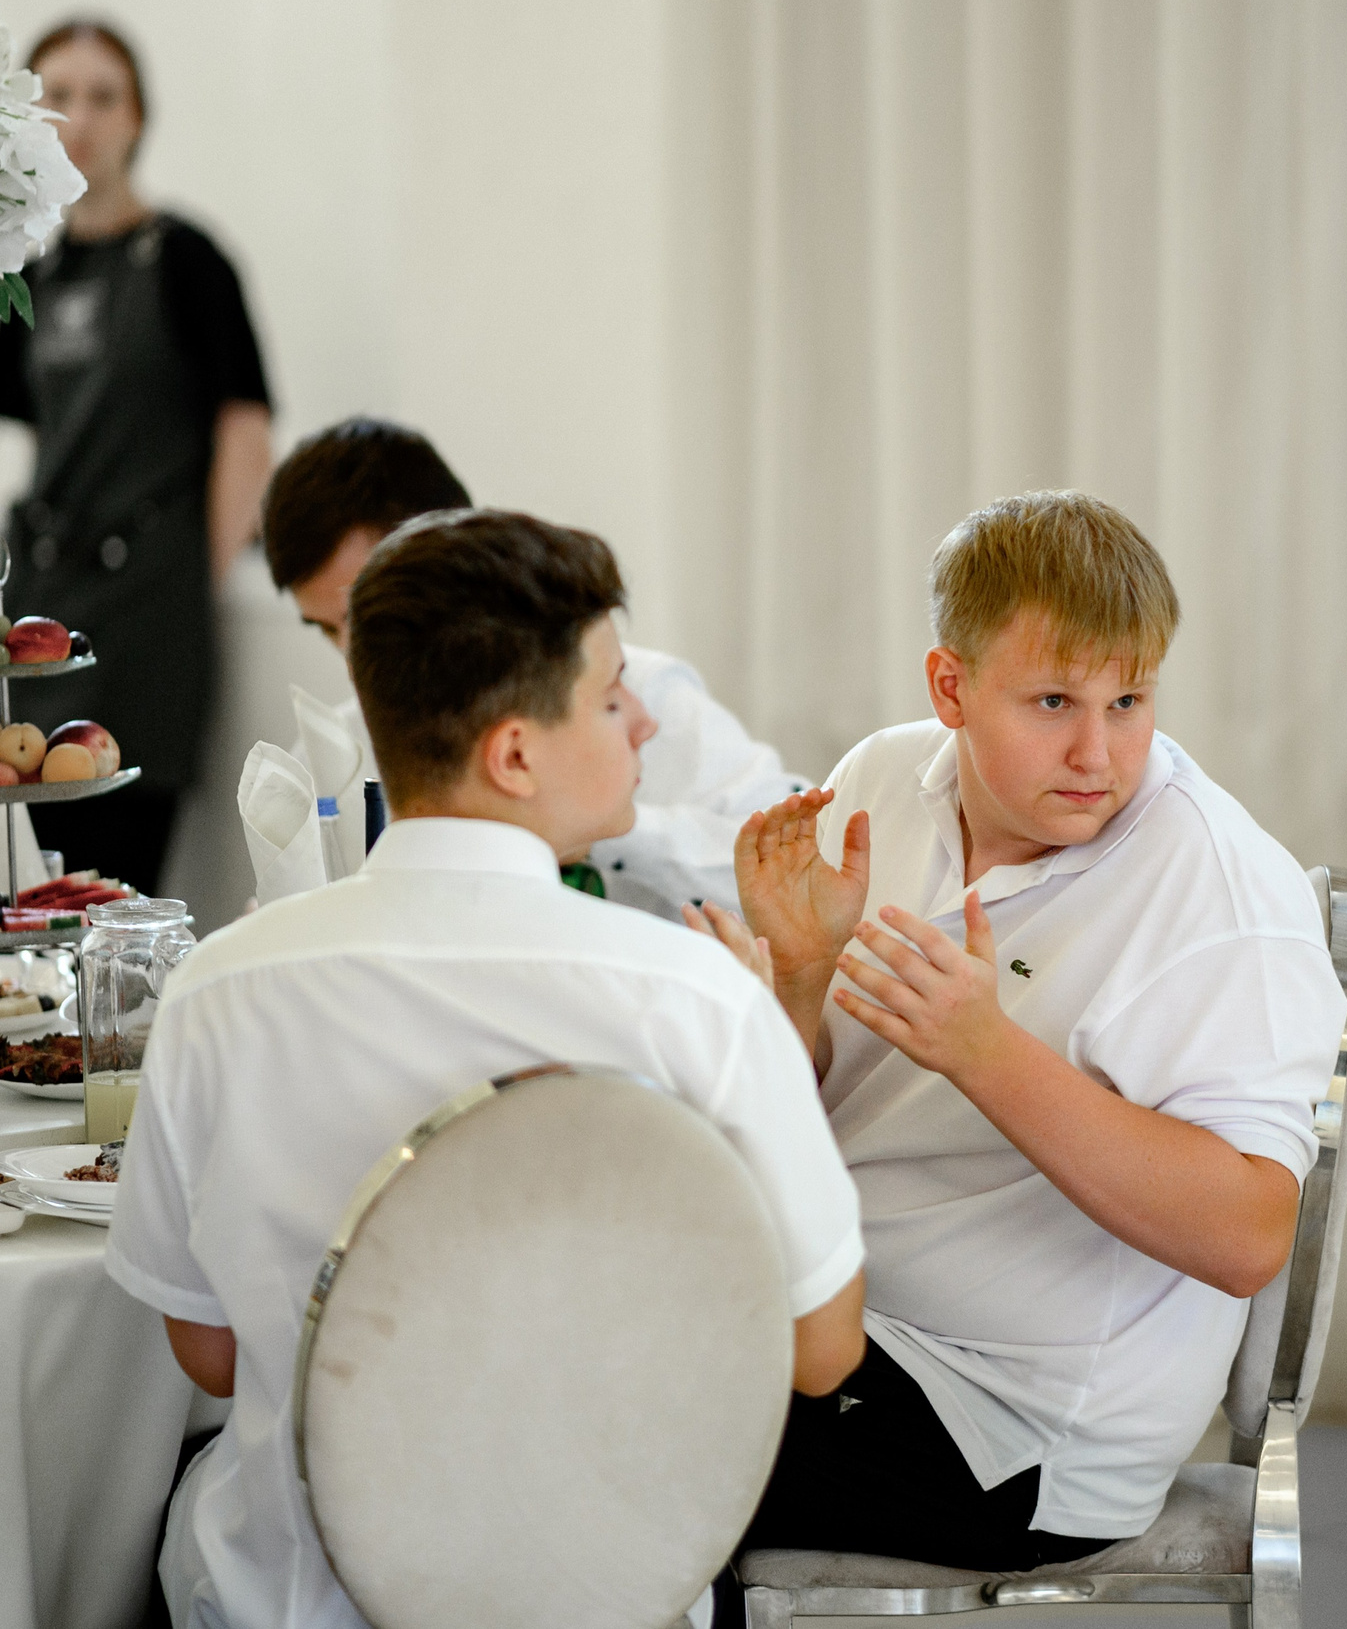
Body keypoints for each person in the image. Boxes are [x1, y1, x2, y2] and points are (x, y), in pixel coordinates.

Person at [103, 511, 866, 1629]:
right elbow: (820, 1348)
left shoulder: (221, 986)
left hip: (285, 1598)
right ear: (513, 751)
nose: (643, 719)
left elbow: (208, 1352)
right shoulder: (698, 999)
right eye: (611, 697)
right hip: (608, 1597)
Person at [726, 492, 1345, 1575]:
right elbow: (808, 1106)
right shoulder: (880, 780)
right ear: (950, 685)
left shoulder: (1216, 886)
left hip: (1018, 1430)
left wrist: (985, 1049)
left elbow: (1249, 1234)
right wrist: (798, 974)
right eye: (1053, 699)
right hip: (837, 1316)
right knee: (566, 1344)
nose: (1096, 753)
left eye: (1129, 699)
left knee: (613, 1442)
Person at [259, 417, 812, 915]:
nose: (357, 659)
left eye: (370, 610)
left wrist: (592, 817)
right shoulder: (326, 755)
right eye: (329, 630)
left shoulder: (643, 698)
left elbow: (795, 857)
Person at [0, 19, 274, 897]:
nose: (82, 118)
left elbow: (247, 436)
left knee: (111, 899)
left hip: (145, 622)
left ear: (139, 119)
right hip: (38, 613)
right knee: (4, 888)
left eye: (104, 97)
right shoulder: (23, 273)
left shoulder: (189, 261)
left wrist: (187, 584)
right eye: (59, 97)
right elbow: (17, 447)